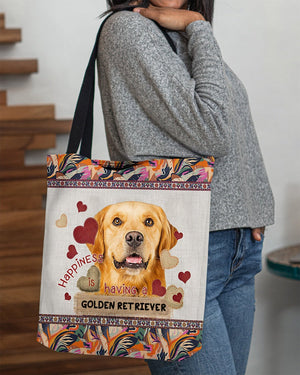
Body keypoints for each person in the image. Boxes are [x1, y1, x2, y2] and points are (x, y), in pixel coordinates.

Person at [97, 1, 275, 374]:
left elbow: (233, 122)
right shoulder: (129, 30)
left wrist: (250, 209)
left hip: (236, 249)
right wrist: (199, 26)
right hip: (179, 251)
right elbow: (213, 129)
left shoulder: (175, 31)